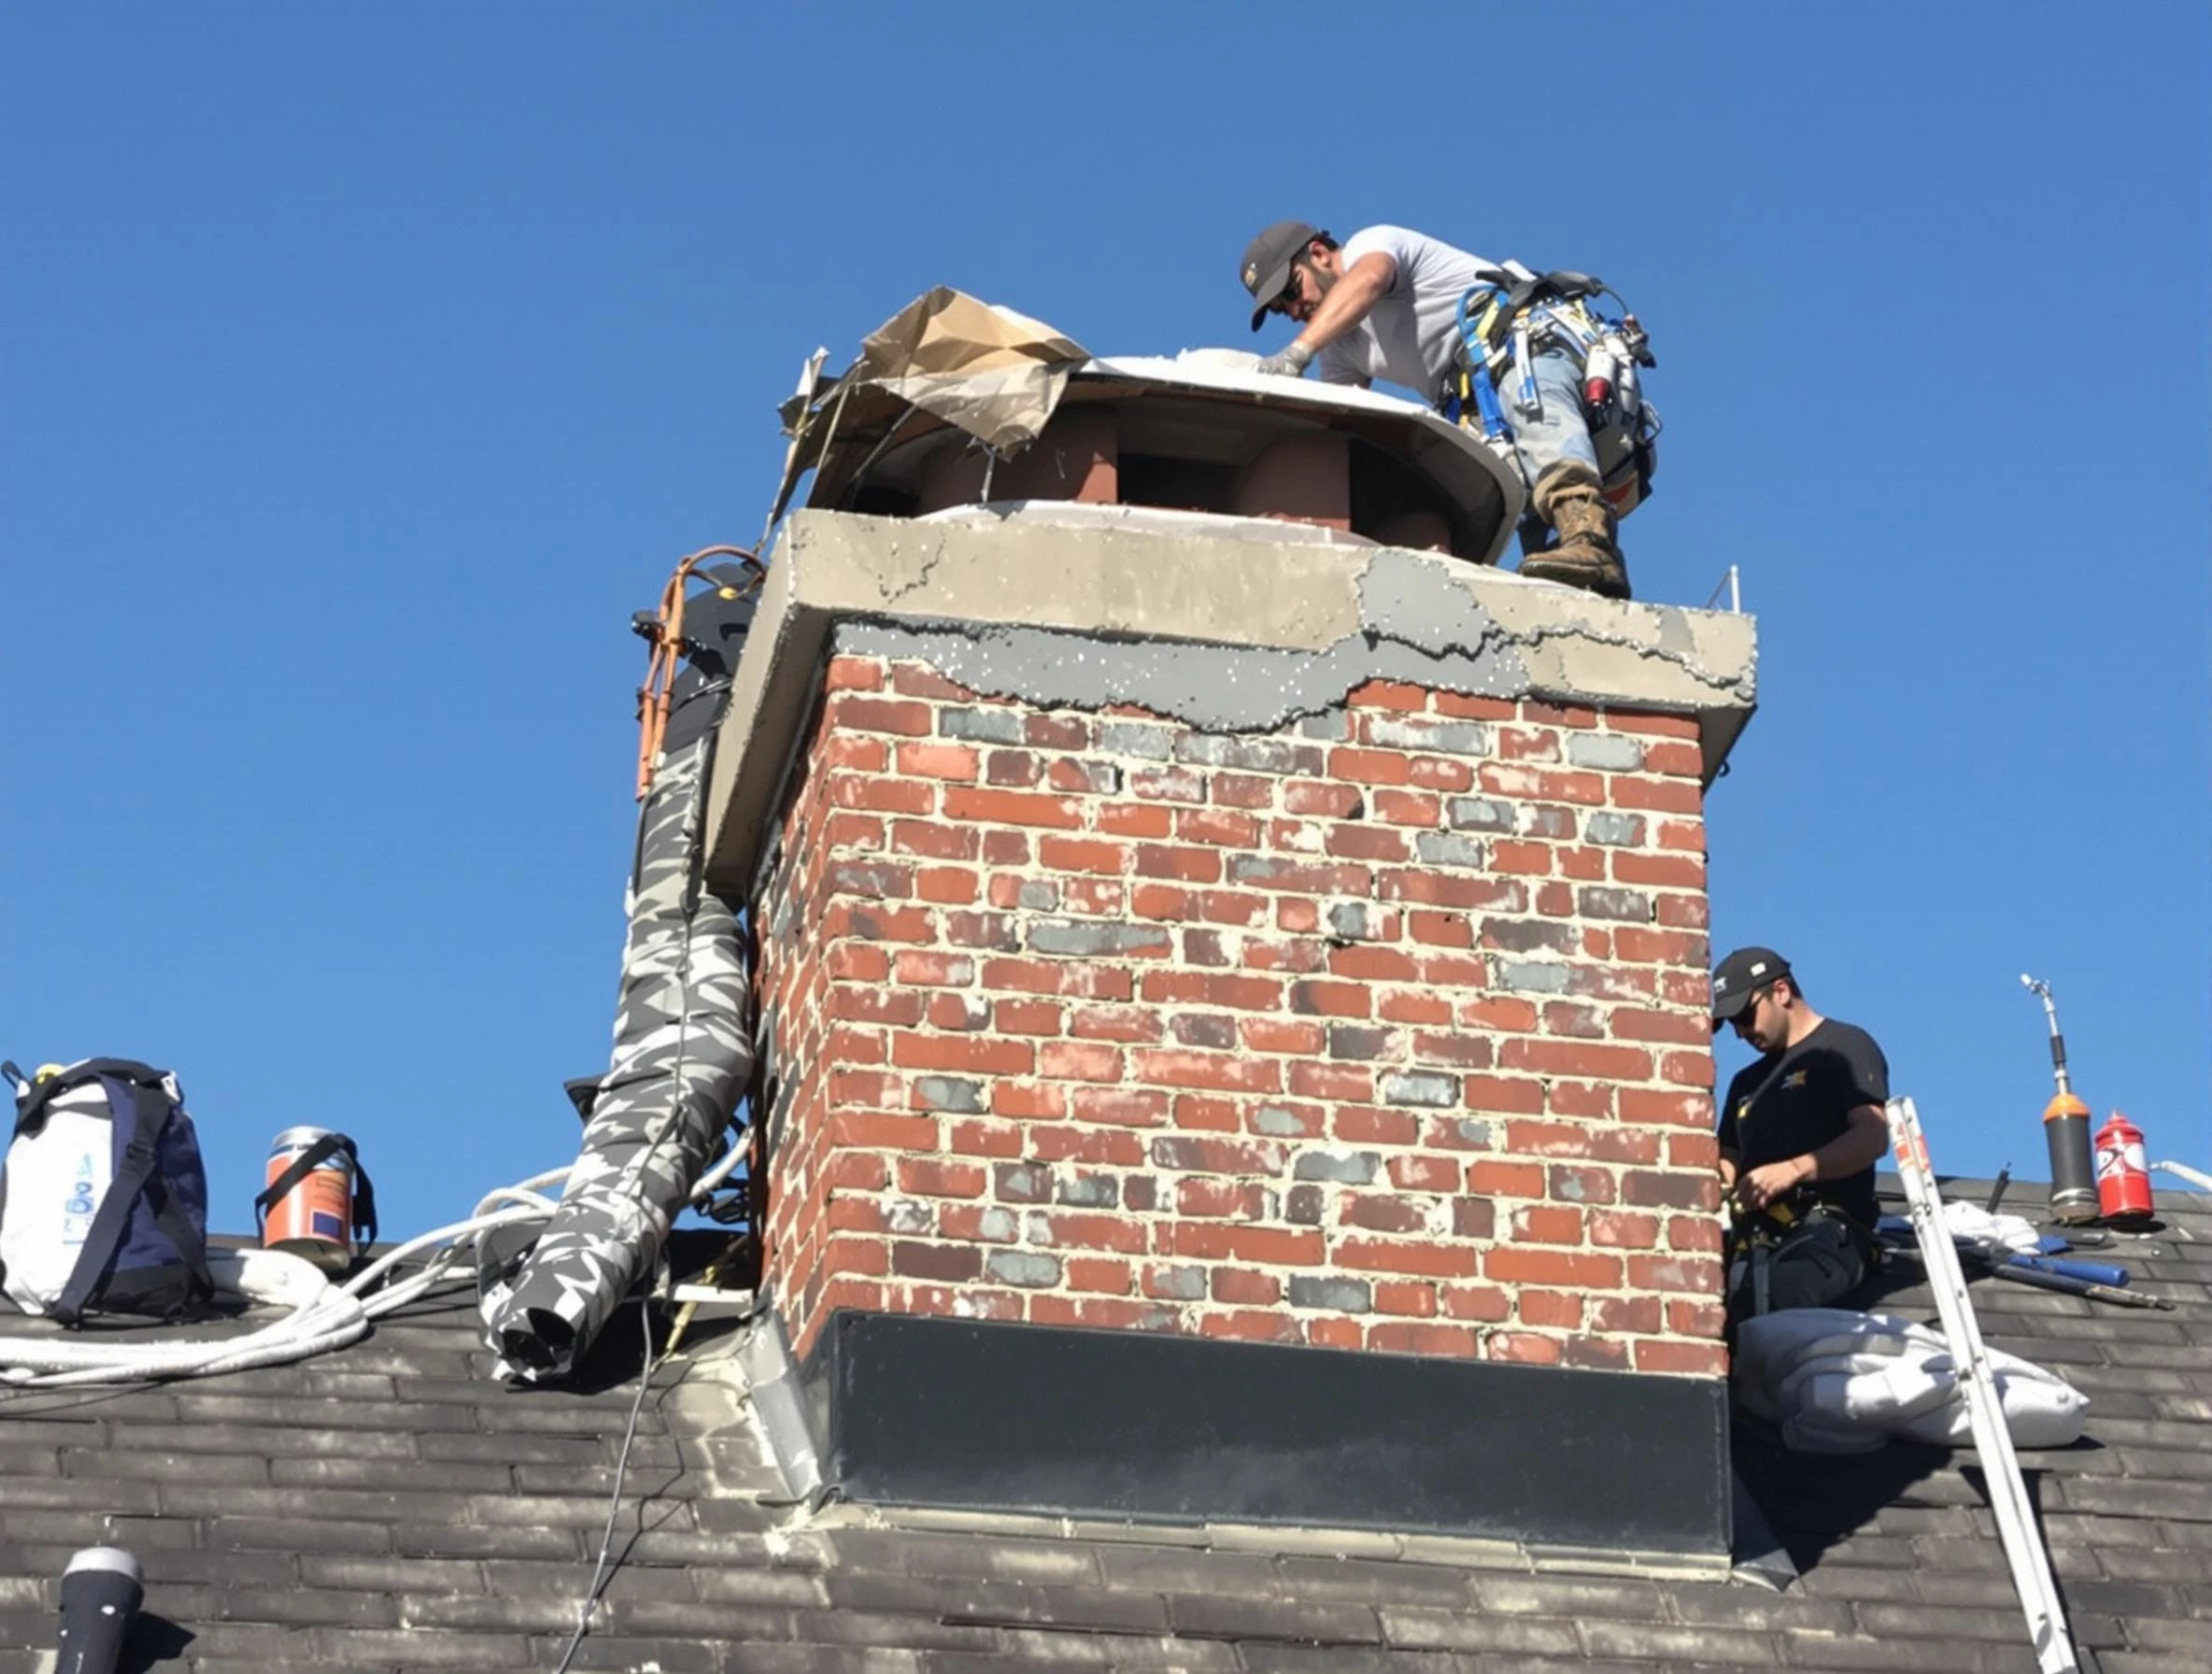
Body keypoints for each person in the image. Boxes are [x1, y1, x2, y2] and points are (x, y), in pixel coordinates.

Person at [1239, 220, 1627, 600]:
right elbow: (1341, 423)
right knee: (1510, 497)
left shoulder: (1370, 244)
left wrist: (1297, 353)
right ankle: (1581, 588)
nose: (1293, 310)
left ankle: (1591, 540)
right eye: (1281, 309)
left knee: (1536, 419)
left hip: (1527, 349)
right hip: (1479, 400)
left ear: (1319, 254)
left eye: (1292, 290)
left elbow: (1370, 280)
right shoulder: (1342, 349)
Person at [1709, 946, 1891, 1321]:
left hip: (1826, 1229)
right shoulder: (1746, 1083)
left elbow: (1873, 1135)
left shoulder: (1842, 1047)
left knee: (1777, 1297)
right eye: (1732, 1024)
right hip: (1752, 1236)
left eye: (1745, 1016)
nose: (1741, 1033)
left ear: (1781, 992)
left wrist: (1792, 1170)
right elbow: (1729, 1156)